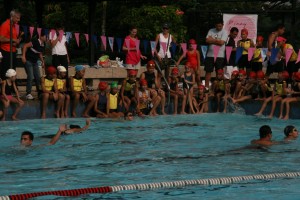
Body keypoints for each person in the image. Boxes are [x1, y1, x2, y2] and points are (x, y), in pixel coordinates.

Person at [22, 29, 47, 100]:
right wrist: (23, 56)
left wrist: (42, 61)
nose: (46, 38)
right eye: (45, 36)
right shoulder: (35, 41)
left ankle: (39, 93)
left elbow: (40, 53)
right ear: (41, 37)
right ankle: (28, 93)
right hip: (28, 60)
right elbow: (25, 46)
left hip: (35, 62)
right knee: (30, 76)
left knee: (38, 77)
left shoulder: (43, 44)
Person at [204, 18, 228, 90]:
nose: (219, 27)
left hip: (220, 56)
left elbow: (221, 43)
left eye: (220, 26)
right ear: (215, 25)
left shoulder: (224, 32)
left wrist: (212, 40)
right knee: (208, 71)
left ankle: (218, 88)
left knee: (219, 73)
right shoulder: (211, 30)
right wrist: (217, 41)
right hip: (210, 55)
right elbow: (207, 40)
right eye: (217, 26)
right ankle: (206, 88)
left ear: (223, 25)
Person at [0, 10, 21, 79]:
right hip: (6, 51)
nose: (19, 20)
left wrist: (16, 43)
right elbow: (1, 39)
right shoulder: (5, 25)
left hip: (13, 51)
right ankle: (5, 87)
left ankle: (12, 87)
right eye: (17, 18)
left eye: (19, 18)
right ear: (12, 17)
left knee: (13, 71)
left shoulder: (14, 26)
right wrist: (13, 40)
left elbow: (11, 39)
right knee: (6, 71)